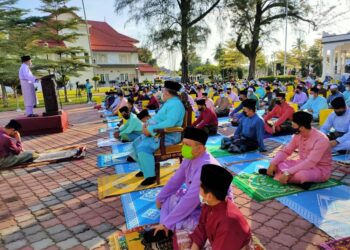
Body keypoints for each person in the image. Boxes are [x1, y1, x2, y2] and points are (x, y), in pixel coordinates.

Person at [151, 128, 219, 241]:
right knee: (167, 199)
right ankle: (166, 229)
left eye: (187, 145)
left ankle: (166, 229)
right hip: (197, 201)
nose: (183, 148)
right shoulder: (190, 158)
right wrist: (160, 198)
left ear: (200, 149)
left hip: (211, 207)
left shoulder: (206, 167)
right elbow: (175, 180)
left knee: (198, 224)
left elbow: (191, 200)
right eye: (183, 144)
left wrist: (167, 223)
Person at [129, 81, 185, 185]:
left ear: (167, 92)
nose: (162, 93)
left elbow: (170, 123)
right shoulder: (169, 102)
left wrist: (150, 130)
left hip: (168, 135)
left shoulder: (176, 104)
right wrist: (146, 125)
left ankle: (151, 176)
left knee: (143, 147)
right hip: (158, 133)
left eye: (163, 91)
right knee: (136, 144)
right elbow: (158, 118)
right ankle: (146, 169)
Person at [260, 111, 332, 189]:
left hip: (319, 169)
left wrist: (288, 172)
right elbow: (286, 151)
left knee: (302, 175)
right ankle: (297, 181)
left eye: (293, 124)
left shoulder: (321, 140)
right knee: (278, 163)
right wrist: (273, 163)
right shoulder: (298, 135)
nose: (291, 125)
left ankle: (279, 174)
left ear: (302, 128)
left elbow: (310, 162)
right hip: (301, 163)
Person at [190, 164, 251, 250]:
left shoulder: (227, 222)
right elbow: (202, 228)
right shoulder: (209, 204)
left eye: (200, 186)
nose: (198, 189)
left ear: (209, 196)